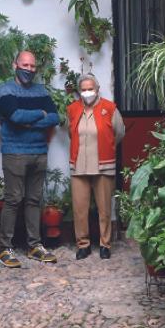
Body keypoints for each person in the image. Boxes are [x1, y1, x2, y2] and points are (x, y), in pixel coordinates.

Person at [0, 51, 60, 268]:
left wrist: (32, 120)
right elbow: (15, 116)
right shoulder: (5, 90)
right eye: (25, 65)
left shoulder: (41, 90)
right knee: (13, 199)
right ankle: (5, 249)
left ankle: (35, 246)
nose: (29, 70)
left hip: (39, 152)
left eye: (32, 66)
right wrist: (39, 114)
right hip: (15, 152)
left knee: (34, 199)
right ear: (15, 65)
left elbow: (54, 117)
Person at [66, 74, 125, 260]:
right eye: (83, 89)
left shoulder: (109, 107)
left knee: (104, 208)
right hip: (79, 166)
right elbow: (70, 133)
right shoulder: (73, 109)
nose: (87, 92)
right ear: (79, 91)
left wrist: (106, 145)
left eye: (90, 88)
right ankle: (83, 245)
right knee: (79, 208)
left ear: (97, 89)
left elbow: (119, 133)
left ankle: (104, 244)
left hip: (103, 165)